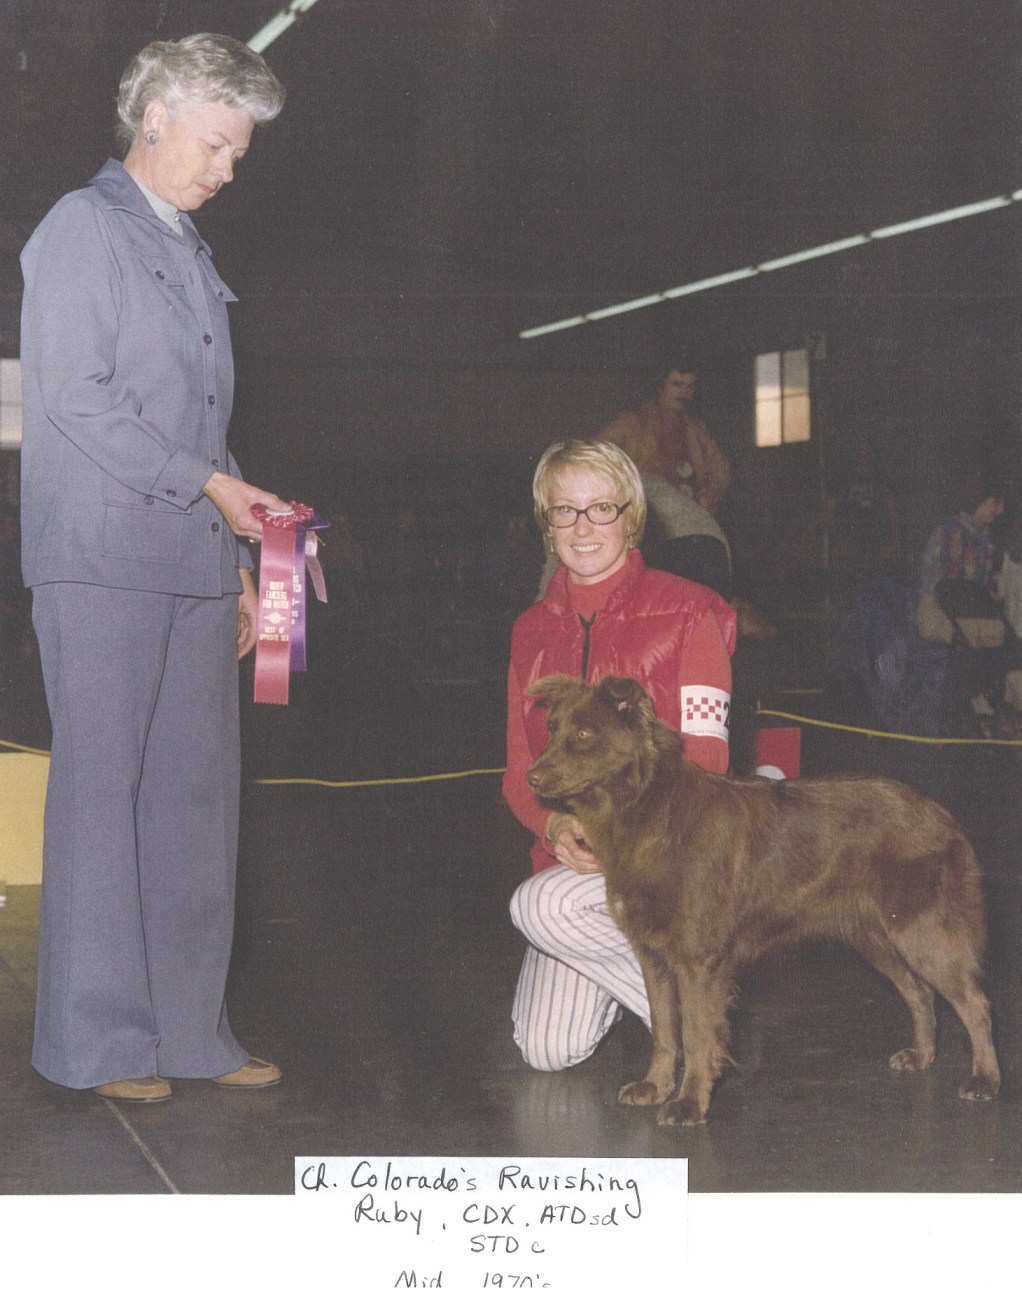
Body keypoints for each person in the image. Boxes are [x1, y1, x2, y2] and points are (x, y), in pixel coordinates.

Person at [19, 34, 291, 1102]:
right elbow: (78, 399)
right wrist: (213, 490)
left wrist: (231, 556)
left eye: (239, 154)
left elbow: (203, 419)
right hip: (98, 560)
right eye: (219, 144)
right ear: (157, 118)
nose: (227, 169)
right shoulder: (82, 228)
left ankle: (191, 1031)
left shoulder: (186, 247)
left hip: (185, 557)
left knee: (193, 801)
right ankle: (98, 1042)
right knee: (104, 798)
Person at [503, 440, 736, 1071]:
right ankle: (684, 996)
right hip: (578, 865)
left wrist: (615, 834)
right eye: (564, 511)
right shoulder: (530, 630)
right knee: (549, 1051)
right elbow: (518, 777)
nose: (582, 528)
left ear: (631, 517)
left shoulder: (693, 612)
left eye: (600, 509)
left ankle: (694, 1031)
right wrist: (554, 826)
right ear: (545, 525)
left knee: (538, 906)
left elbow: (708, 763)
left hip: (669, 857)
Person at [600, 363, 732, 597]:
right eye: (677, 385)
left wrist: (710, 496)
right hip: (652, 531)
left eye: (690, 387)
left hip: (692, 527)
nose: (684, 393)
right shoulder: (633, 422)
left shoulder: (696, 429)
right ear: (660, 386)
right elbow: (597, 453)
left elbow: (720, 469)